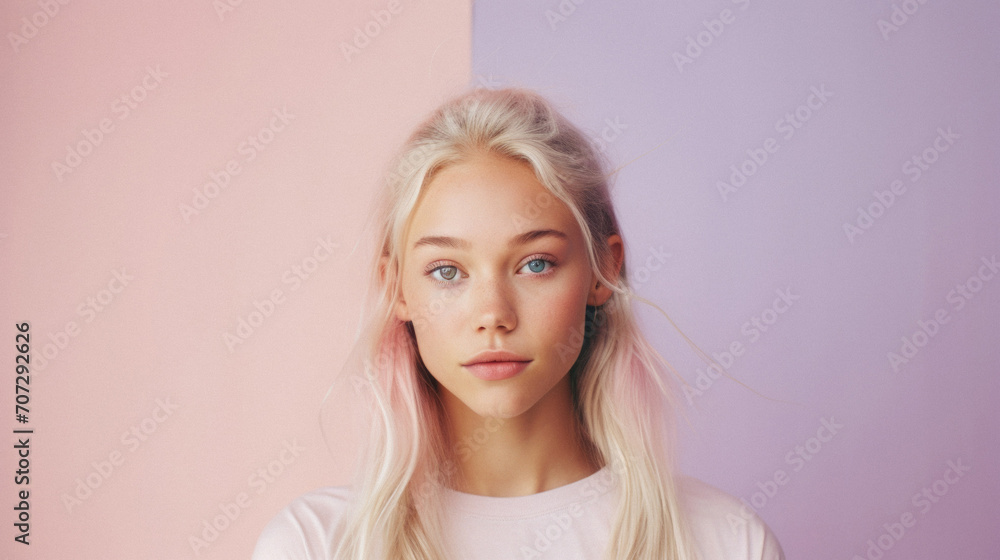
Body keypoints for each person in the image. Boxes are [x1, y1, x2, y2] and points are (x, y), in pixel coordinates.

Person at [252, 87, 785, 559]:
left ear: (604, 269)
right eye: (447, 271)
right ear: (397, 289)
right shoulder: (314, 545)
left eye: (536, 264)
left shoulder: (724, 542)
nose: (493, 316)